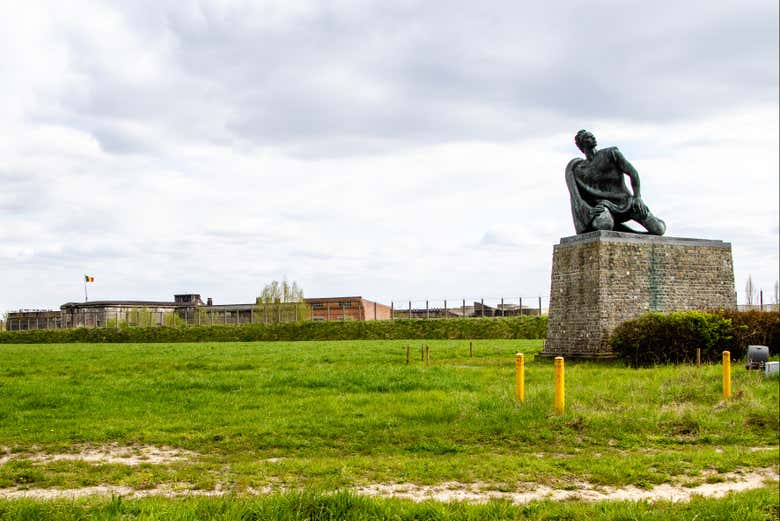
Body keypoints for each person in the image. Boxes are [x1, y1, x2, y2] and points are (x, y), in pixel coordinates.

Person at [565, 130, 666, 235]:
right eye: (588, 137)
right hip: (606, 206)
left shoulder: (611, 153)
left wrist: (637, 197)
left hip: (627, 202)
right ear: (582, 144)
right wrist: (589, 209)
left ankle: (631, 231)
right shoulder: (579, 170)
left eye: (593, 136)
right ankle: (626, 232)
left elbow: (633, 173)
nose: (593, 138)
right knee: (603, 224)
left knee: (658, 229)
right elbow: (578, 198)